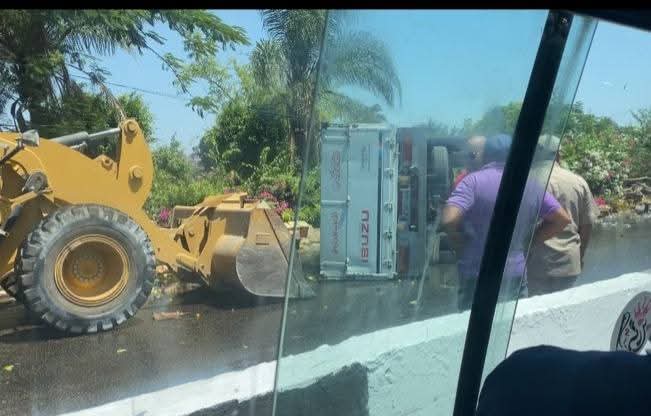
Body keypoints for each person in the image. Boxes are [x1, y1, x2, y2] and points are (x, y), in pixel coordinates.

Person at [441, 133, 571, 311]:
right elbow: (562, 219)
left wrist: (457, 241)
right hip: (515, 272)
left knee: (474, 323)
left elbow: (449, 219)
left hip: (476, 272)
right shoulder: (528, 184)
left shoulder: (472, 181)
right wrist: (531, 241)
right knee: (514, 322)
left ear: (486, 155)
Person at [526, 135, 600, 296]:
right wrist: (580, 256)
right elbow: (587, 225)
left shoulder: (527, 180)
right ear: (558, 155)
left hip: (537, 264)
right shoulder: (578, 181)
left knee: (538, 309)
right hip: (569, 263)